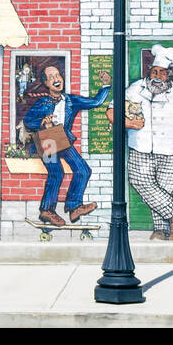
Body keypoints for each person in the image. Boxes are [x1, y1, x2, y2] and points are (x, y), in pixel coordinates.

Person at [116, 44, 173, 241]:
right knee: (139, 181)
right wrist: (130, 122)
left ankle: (161, 231)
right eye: (155, 72)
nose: (157, 76)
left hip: (172, 149)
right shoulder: (135, 89)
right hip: (140, 146)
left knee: (164, 190)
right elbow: (115, 109)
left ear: (169, 75)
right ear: (149, 72)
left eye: (162, 73)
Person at [22, 62, 109, 225]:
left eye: (57, 75)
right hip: (47, 139)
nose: (56, 79)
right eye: (51, 77)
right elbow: (27, 120)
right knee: (56, 173)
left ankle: (74, 207)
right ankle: (47, 210)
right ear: (46, 84)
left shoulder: (71, 100)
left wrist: (106, 85)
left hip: (63, 138)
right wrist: (42, 122)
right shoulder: (42, 103)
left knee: (83, 170)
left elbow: (95, 102)